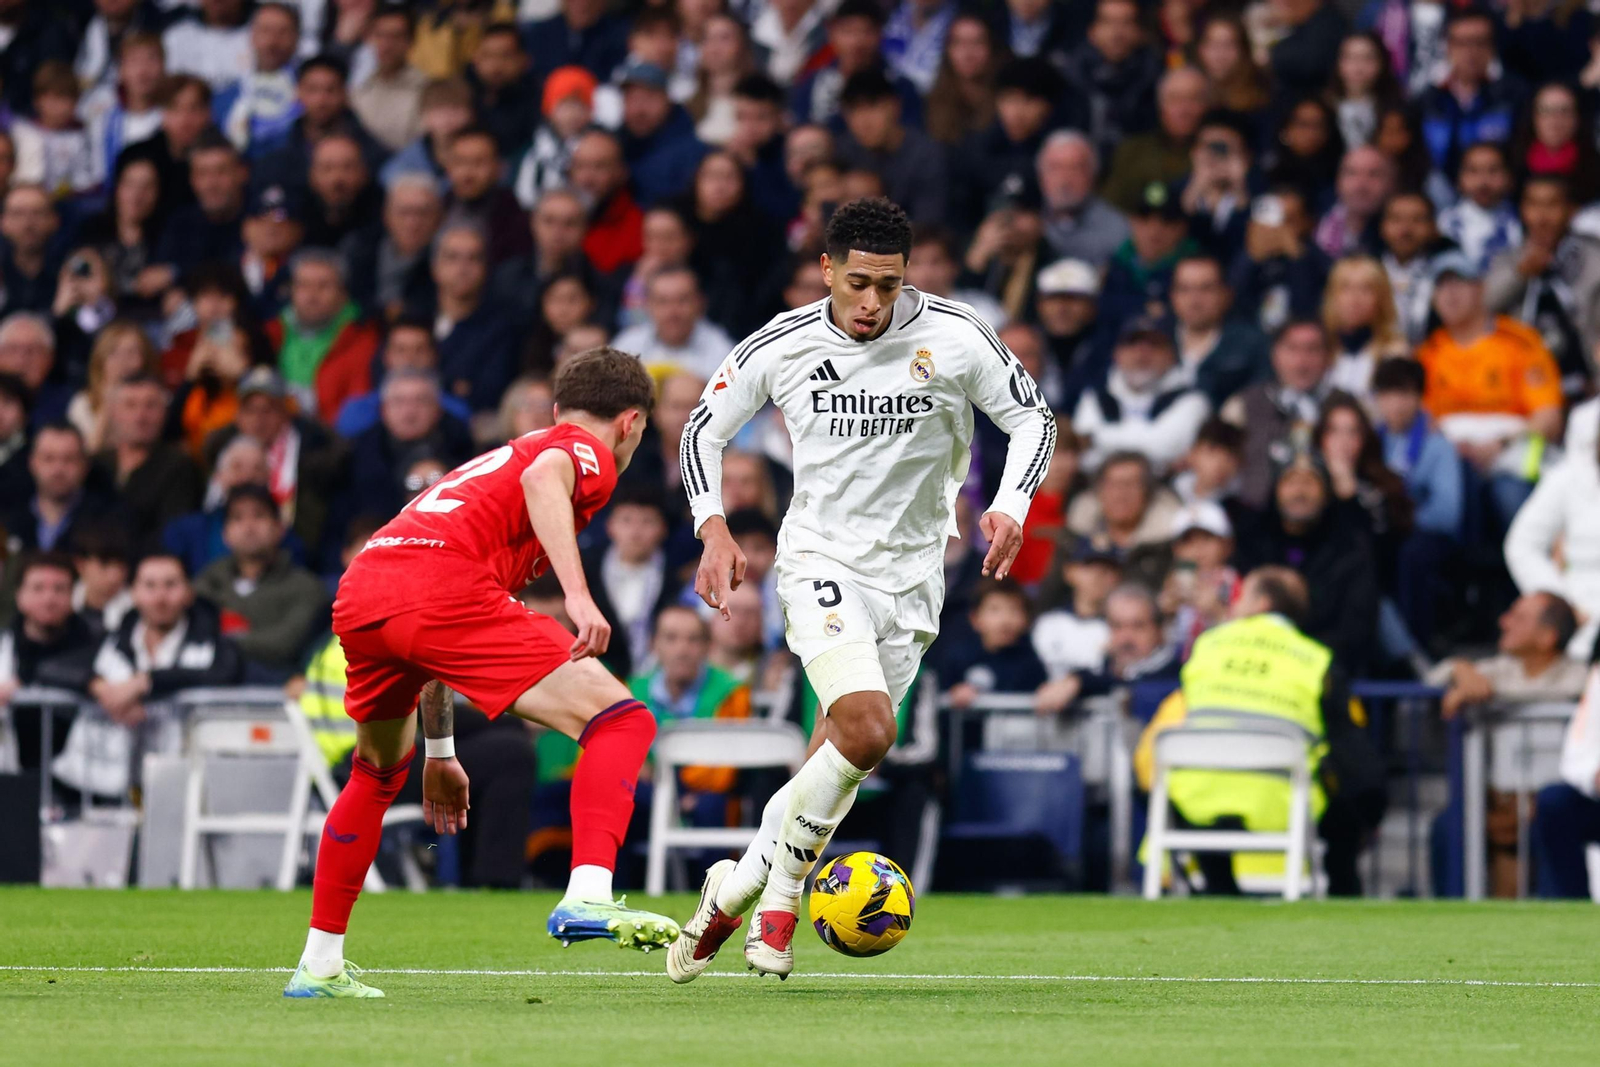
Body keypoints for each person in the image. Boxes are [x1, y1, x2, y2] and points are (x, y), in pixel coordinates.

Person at [668, 197, 1053, 982]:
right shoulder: (782, 341)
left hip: (915, 579)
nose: (873, 302)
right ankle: (777, 899)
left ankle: (731, 883)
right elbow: (700, 428)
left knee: (841, 751)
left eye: (888, 284)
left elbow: (1033, 419)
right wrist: (712, 525)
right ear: (826, 271)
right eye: (857, 284)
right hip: (820, 560)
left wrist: (1011, 504)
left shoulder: (957, 333)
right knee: (870, 727)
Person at [282, 348, 677, 998]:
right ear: (632, 422)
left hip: (367, 588)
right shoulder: (584, 450)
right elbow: (547, 477)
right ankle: (589, 893)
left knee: (376, 773)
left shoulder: (506, 455)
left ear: (554, 406)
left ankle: (319, 964)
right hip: (438, 586)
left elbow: (428, 629)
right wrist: (576, 594)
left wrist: (440, 750)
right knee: (621, 719)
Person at [1136, 566, 1385, 896]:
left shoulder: (1207, 646)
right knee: (1345, 793)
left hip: (1197, 795)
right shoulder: (1315, 660)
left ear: (1262, 603)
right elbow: (1352, 754)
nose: (1233, 603)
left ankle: (1218, 886)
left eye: (1241, 595)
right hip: (1282, 802)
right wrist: (1372, 811)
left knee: (1161, 776)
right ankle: (1344, 892)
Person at [1417, 250, 1563, 525]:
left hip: (1511, 461)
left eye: (1458, 283)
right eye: (1441, 285)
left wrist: (1500, 444)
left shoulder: (1519, 341)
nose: (1449, 294)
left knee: (1511, 497)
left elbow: (1549, 417)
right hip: (1453, 461)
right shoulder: (1427, 353)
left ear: (1480, 289)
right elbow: (1422, 421)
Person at [1235, 451, 1381, 673]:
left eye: (1310, 482)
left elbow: (1355, 631)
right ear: (1276, 490)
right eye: (1290, 482)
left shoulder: (1349, 550)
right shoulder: (1251, 545)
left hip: (1323, 671)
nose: (1299, 491)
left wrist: (1294, 655)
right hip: (1251, 664)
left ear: (1326, 492)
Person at [87, 552, 243, 732]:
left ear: (189, 592)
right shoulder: (113, 638)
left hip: (185, 756)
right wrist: (95, 685)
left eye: (170, 585)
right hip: (111, 757)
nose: (160, 597)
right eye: (149, 585)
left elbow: (224, 674)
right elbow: (59, 664)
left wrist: (146, 682)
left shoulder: (214, 642)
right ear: (133, 592)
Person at [192, 484, 329, 681]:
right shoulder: (207, 581)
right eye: (237, 518)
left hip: (276, 693)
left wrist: (225, 638)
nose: (249, 527)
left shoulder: (306, 587)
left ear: (279, 528)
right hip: (212, 693)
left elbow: (284, 645)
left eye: (259, 516)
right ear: (225, 533)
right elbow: (191, 636)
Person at [1071, 316, 1209, 475]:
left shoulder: (1193, 400)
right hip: (1099, 490)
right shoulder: (1094, 396)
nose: (1142, 353)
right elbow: (1084, 457)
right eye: (1131, 344)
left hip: (1168, 493)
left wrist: (1097, 437)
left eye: (1154, 345)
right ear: (1117, 353)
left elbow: (1166, 447)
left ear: (1171, 353)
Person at [1221, 319, 1335, 509]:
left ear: (1328, 357)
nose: (1302, 361)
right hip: (1256, 517)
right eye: (1293, 349)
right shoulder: (1243, 404)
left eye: (1312, 350)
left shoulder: (1344, 405)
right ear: (1275, 355)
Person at [92, 374, 203, 548]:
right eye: (130, 405)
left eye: (150, 406)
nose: (140, 417)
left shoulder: (180, 467)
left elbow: (173, 531)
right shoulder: (95, 465)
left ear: (164, 413)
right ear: (113, 414)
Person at [1171, 254, 1271, 409]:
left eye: (1206, 289)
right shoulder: (1150, 339)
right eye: (1184, 289)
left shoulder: (1252, 344)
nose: (1194, 300)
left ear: (1226, 294)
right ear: (1172, 296)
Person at [612, 266, 733, 379]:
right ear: (648, 305)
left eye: (682, 300)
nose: (673, 312)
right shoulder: (626, 347)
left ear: (700, 303)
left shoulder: (724, 354)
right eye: (663, 301)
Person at [1033, 130, 1129, 271]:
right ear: (1041, 176)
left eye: (1076, 168)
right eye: (1055, 168)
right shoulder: (1026, 220)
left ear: (1092, 176)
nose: (1065, 179)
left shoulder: (1118, 231)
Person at [1321, 255, 1409, 402]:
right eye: (1345, 288)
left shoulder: (1395, 352)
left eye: (1366, 289)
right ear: (1332, 297)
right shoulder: (1322, 350)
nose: (1355, 299)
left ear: (1381, 298)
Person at [350, 5, 426, 153]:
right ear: (370, 38)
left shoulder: (426, 89)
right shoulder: (359, 89)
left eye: (396, 36)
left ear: (411, 40)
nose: (386, 45)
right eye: (380, 35)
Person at [1439, 142, 1522, 275]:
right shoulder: (1443, 223)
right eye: (1473, 171)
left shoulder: (1522, 221)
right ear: (1459, 178)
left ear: (1509, 177)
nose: (1483, 181)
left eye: (1493, 171)